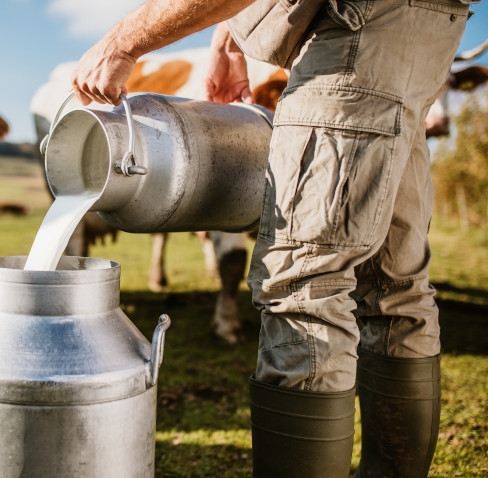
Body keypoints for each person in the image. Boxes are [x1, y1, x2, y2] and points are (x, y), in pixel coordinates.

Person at [70, 0, 476, 476]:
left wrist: (122, 41)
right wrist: (228, 42)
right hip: (422, 28)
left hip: (352, 31)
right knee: (393, 287)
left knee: (304, 285)